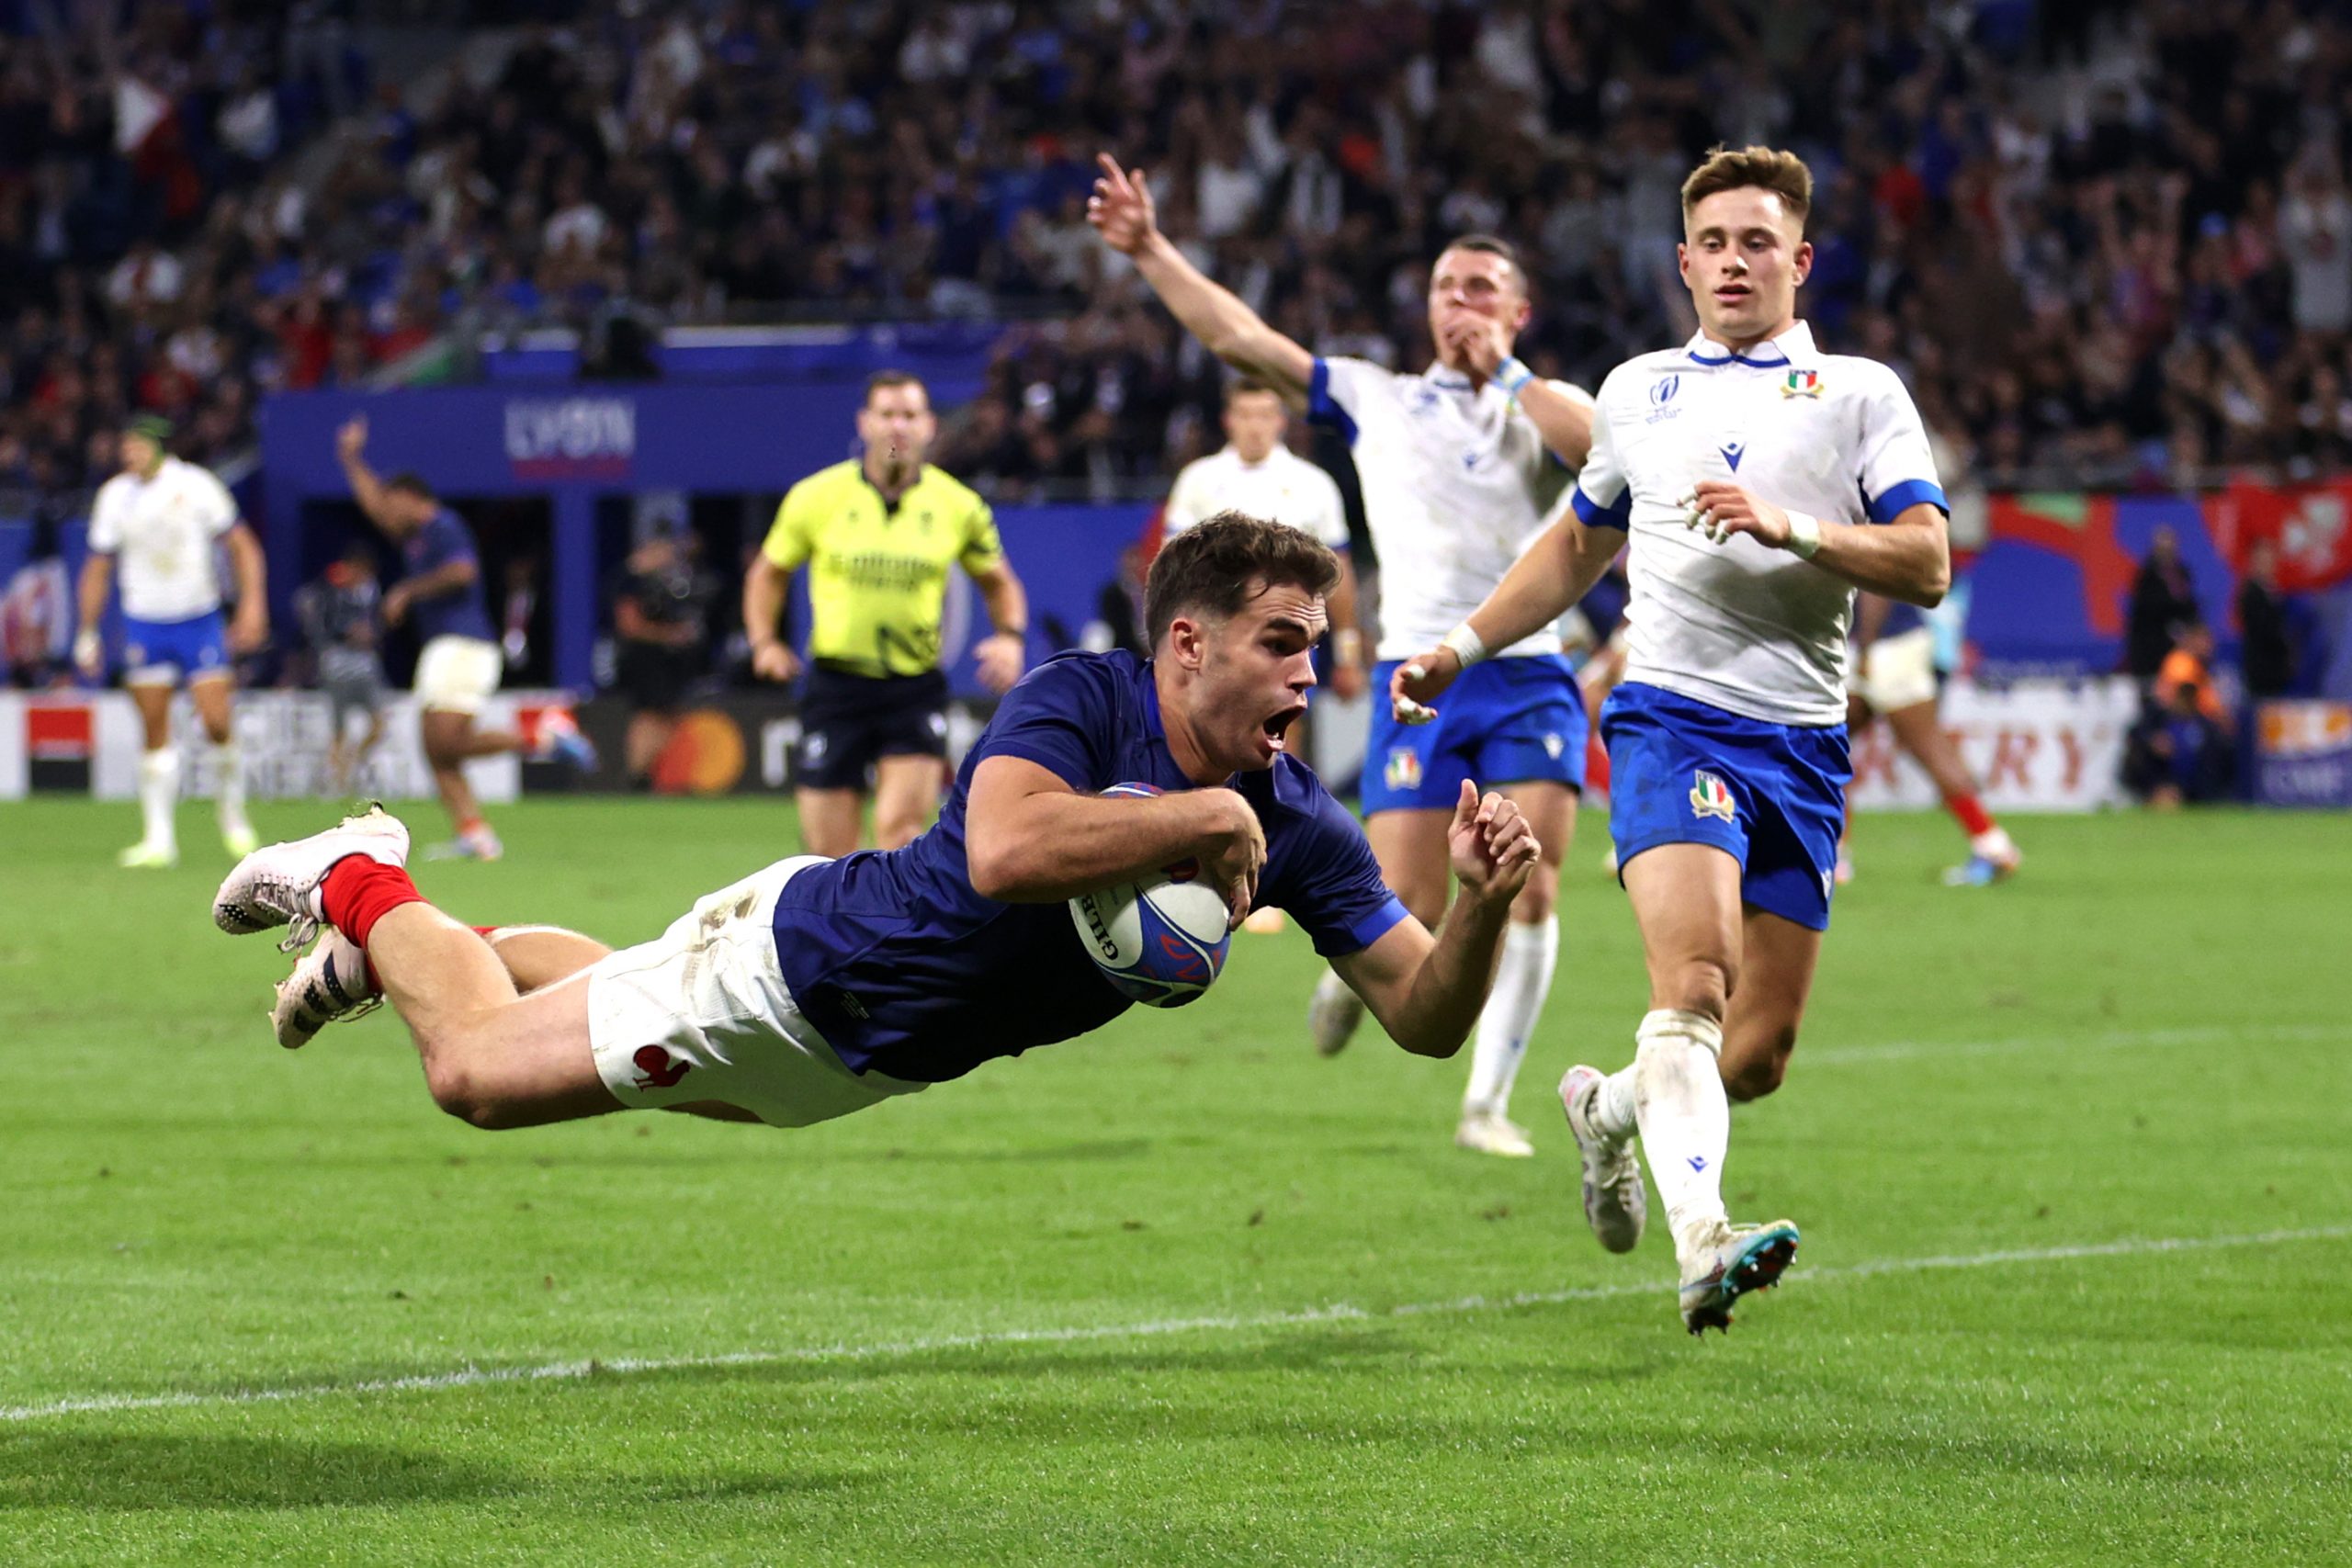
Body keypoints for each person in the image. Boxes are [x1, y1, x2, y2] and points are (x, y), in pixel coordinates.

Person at [215, 515, 1543, 1141]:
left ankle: (386, 952)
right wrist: (1194, 819)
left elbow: (1424, 1014)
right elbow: (1004, 857)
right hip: (798, 976)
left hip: (869, 1062)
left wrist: (1477, 902)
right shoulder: (1081, 697)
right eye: (1282, 642)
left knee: (606, 983)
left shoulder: (1299, 819)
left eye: (1317, 645)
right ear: (1186, 642)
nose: (1312, 674)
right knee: (477, 1080)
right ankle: (361, 882)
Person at [1395, 145, 1954, 1332]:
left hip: (1801, 744)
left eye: (1760, 241)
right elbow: (1574, 544)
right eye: (1714, 241)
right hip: (1669, 719)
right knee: (1692, 984)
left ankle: (1604, 1111)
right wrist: (1461, 643)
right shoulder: (1638, 390)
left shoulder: (1861, 392)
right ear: (1683, 263)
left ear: (1800, 261)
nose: (1735, 260)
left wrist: (1795, 527)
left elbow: (1927, 562)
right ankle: (1705, 1239)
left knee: (1755, 1055)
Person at [1090, 152, 1596, 1159]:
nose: (1461, 302)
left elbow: (1602, 457)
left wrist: (1504, 368)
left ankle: (1486, 1102)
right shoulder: (1379, 397)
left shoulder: (1537, 405)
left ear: (1519, 311)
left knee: (1527, 885)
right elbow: (1242, 336)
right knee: (1403, 898)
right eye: (1448, 288)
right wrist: (1150, 247)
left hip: (1528, 667)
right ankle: (1351, 975)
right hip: (1420, 672)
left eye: (1483, 289)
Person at [744, 370, 1031, 856]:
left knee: (900, 836)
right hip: (836, 685)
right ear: (864, 424)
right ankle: (841, 928)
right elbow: (767, 573)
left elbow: (999, 580)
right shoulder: (817, 497)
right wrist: (763, 642)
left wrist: (1009, 635)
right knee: (827, 854)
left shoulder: (958, 506)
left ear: (929, 427)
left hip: (912, 687)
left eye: (910, 416)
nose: (898, 427)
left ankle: (890, 933)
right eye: (887, 415)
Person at [335, 415, 591, 861]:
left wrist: (407, 590)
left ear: (412, 498)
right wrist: (350, 457)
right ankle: (475, 834)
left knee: (447, 743)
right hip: (447, 647)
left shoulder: (443, 526)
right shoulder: (416, 534)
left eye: (393, 504)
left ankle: (543, 735)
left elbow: (463, 572)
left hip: (463, 644)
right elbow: (376, 504)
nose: (385, 514)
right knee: (436, 749)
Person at [73, 415, 267, 867]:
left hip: (198, 618)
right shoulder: (114, 496)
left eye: (137, 445)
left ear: (159, 446)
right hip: (145, 622)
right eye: (126, 446)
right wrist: (86, 633)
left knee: (217, 721)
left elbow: (243, 546)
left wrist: (252, 605)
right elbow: (98, 568)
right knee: (154, 729)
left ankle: (233, 817)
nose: (129, 454)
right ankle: (159, 839)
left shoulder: (197, 485)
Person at [1846, 591, 2021, 886]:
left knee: (1928, 747)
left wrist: (1865, 649)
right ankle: (1832, 855)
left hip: (1883, 647)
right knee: (1823, 744)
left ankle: (1993, 847)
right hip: (1890, 643)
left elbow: (1874, 587)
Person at [613, 526, 716, 790]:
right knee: (649, 716)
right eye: (663, 551)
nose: (668, 556)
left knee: (669, 715)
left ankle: (648, 774)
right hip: (643, 659)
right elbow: (629, 625)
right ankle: (636, 776)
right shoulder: (631, 581)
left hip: (662, 661)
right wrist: (669, 635)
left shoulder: (656, 581)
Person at [294, 542, 389, 796]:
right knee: (339, 727)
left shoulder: (372, 592)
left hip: (366, 666)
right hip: (337, 666)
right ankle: (338, 783)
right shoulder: (329, 590)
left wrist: (374, 635)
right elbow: (317, 623)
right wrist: (345, 632)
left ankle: (352, 761)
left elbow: (379, 625)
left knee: (379, 724)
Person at [2124, 525, 2202, 682]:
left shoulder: (2182, 573)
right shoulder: (2147, 577)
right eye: (2163, 548)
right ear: (2155, 549)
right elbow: (2149, 612)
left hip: (2179, 651)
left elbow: (2189, 605)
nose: (2167, 552)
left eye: (2170, 547)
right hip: (2152, 650)